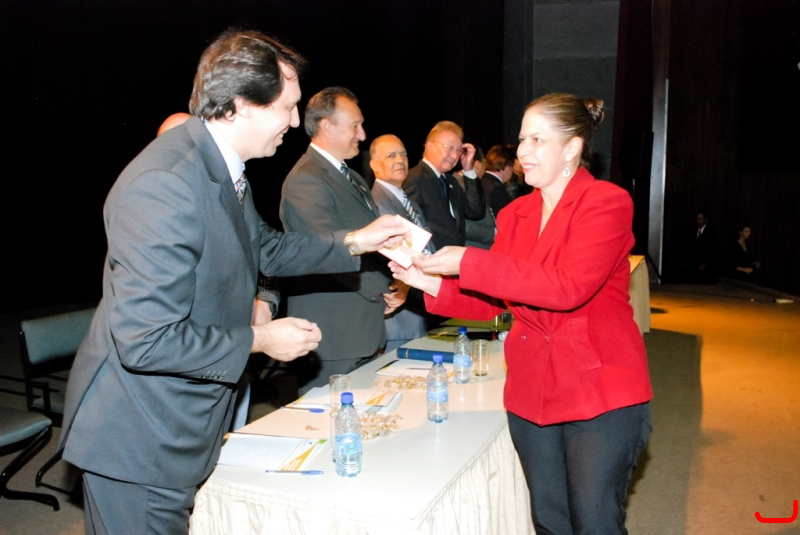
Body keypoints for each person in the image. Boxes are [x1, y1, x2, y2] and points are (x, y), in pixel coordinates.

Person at [60, 31, 410, 534]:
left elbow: (268, 248)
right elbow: (147, 340)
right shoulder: (166, 183)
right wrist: (260, 339)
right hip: (141, 439)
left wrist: (357, 239)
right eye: (287, 107)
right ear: (243, 105)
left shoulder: (223, 169)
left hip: (179, 425)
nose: (295, 121)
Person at [392, 94, 653, 535]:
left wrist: (469, 261)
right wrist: (429, 283)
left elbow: (568, 287)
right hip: (533, 389)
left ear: (572, 147)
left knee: (594, 521)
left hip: (599, 388)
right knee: (550, 521)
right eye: (522, 140)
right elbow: (500, 299)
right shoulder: (516, 214)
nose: (524, 152)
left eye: (538, 140)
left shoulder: (605, 202)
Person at [280, 87, 403, 391]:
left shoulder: (353, 178)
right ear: (326, 126)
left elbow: (373, 244)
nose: (362, 135)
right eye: (355, 126)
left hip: (361, 330)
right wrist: (386, 288)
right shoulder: (306, 179)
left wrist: (400, 280)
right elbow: (328, 252)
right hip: (333, 337)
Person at [369, 134, 434, 351]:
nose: (400, 160)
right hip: (399, 318)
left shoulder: (410, 204)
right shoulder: (375, 204)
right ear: (374, 165)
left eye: (403, 155)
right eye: (391, 156)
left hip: (416, 309)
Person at [403, 121, 485, 250]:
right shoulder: (414, 179)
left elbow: (475, 211)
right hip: (431, 257)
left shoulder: (450, 181)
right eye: (449, 147)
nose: (454, 156)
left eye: (458, 151)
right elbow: (407, 225)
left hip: (452, 257)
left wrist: (468, 169)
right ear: (430, 146)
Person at [685, 209, 718, 283]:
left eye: (701, 219)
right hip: (693, 263)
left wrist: (705, 264)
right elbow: (690, 248)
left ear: (706, 220)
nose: (698, 221)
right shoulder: (692, 231)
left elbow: (712, 250)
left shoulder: (711, 232)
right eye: (697, 219)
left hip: (706, 264)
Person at [482, 144, 515, 216]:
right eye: (512, 167)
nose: (513, 171)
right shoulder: (497, 189)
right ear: (506, 166)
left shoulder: (482, 180)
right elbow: (505, 217)